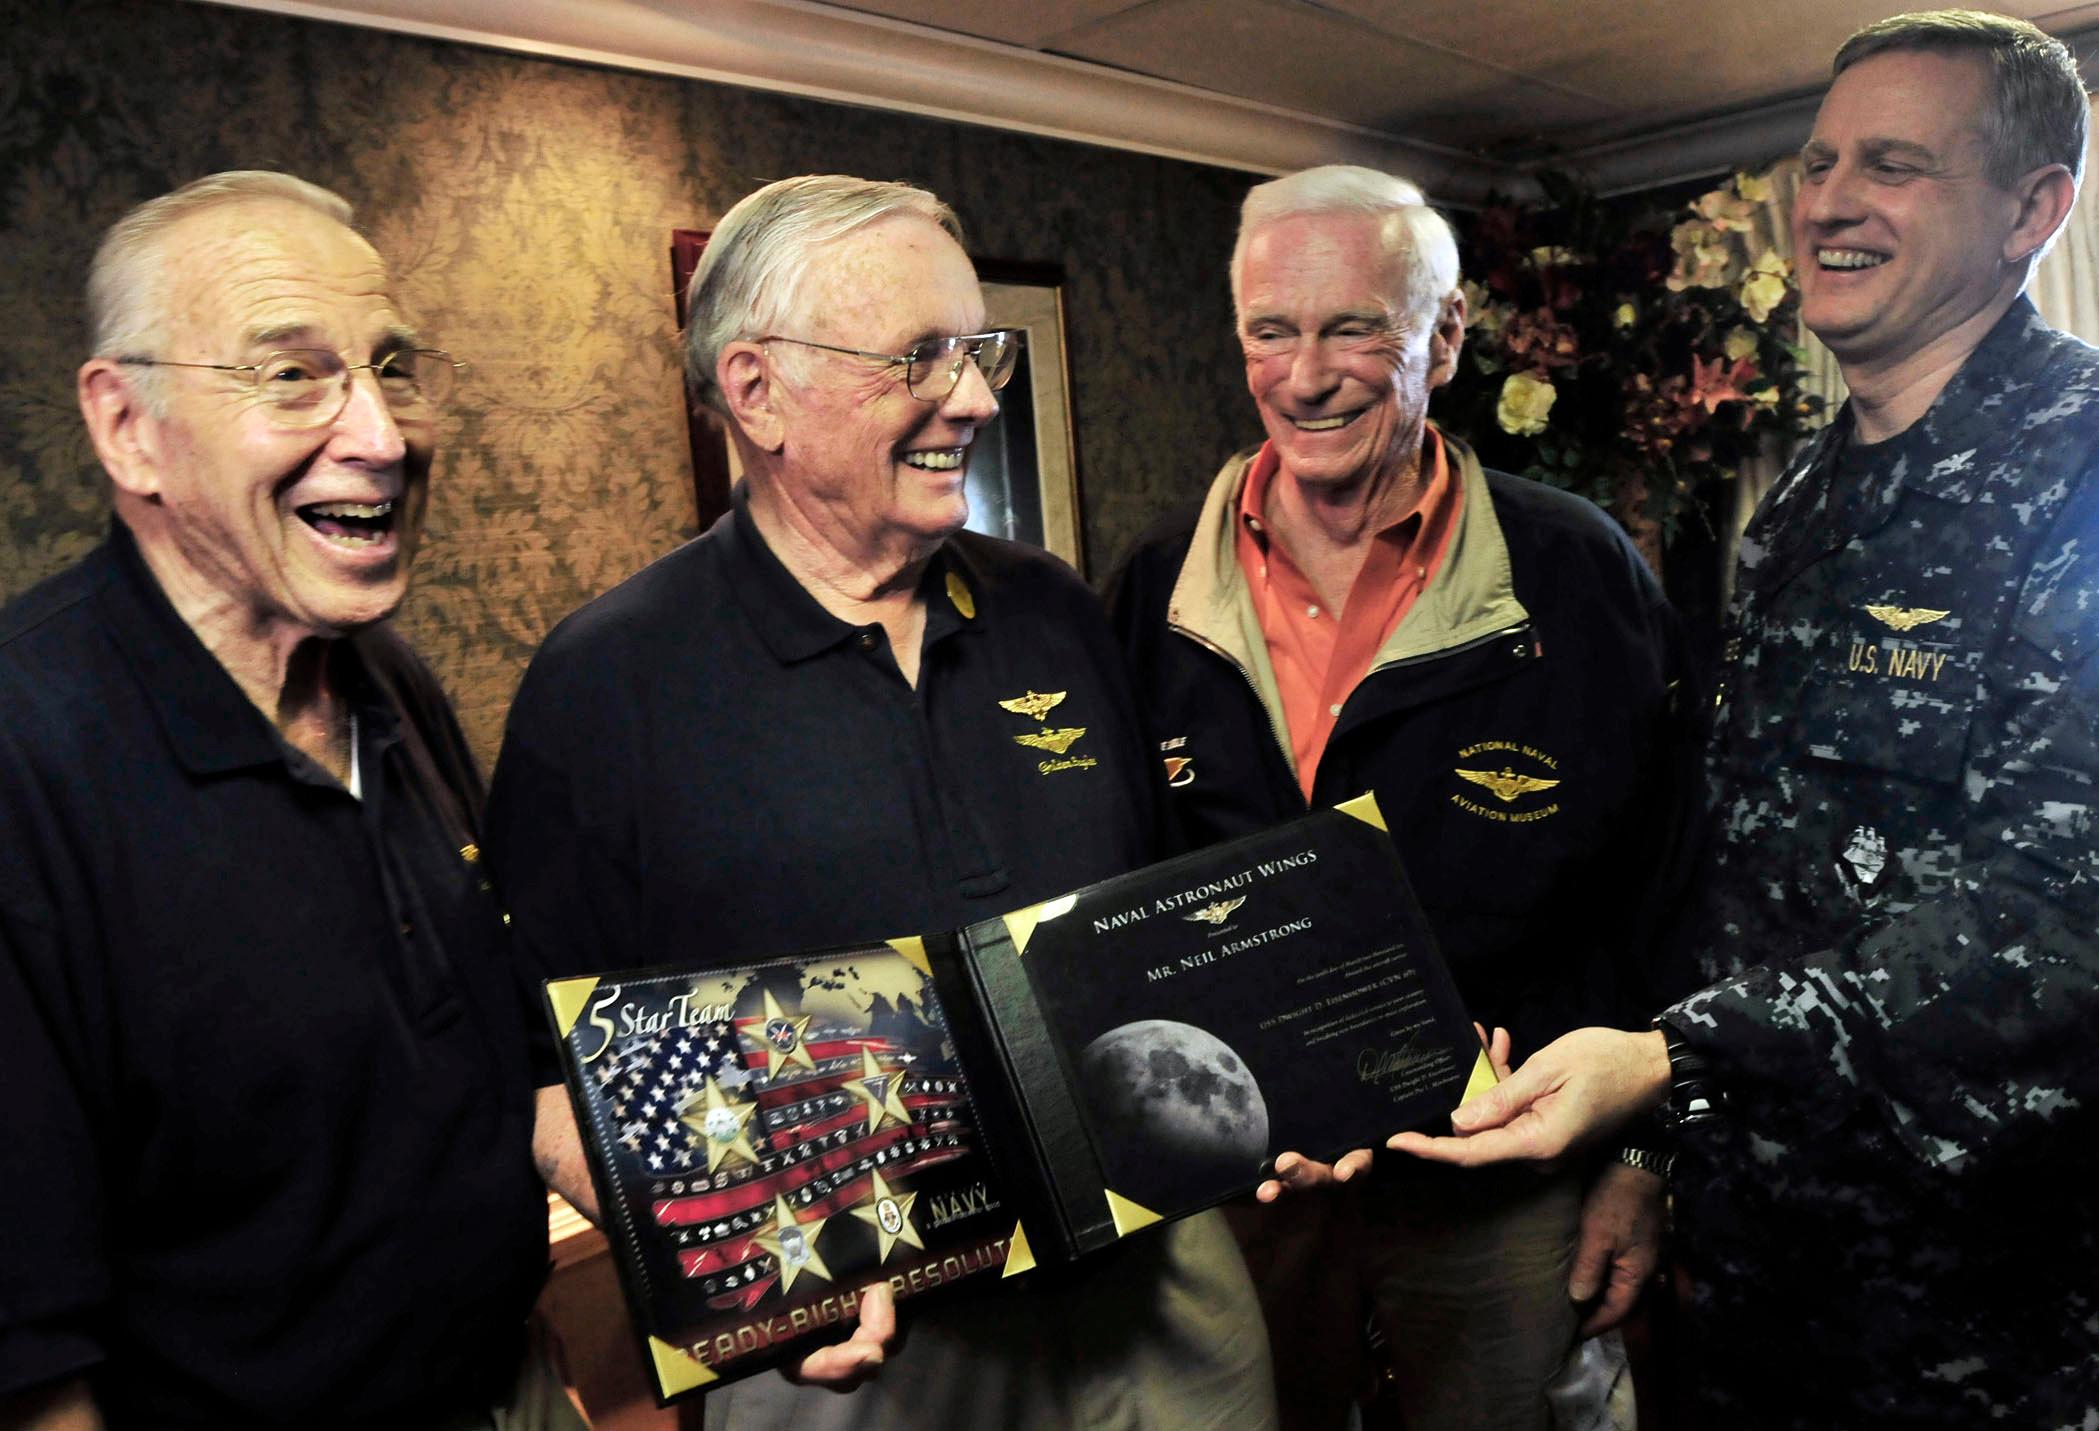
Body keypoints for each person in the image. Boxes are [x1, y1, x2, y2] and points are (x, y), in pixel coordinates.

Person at [1393, 11, 2099, 1425]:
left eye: (1891, 165)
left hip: (1992, 1312)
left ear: (2034, 208)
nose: (1826, 201)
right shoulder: (1799, 507)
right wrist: (1664, 1151)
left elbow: (2052, 916)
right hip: (1764, 1287)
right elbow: (1738, 881)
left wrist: (1669, 1059)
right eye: (1817, 159)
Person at [484, 174, 1275, 1431]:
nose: (969, 397)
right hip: (859, 1349)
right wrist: (739, 1274)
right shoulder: (608, 680)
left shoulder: (1055, 611)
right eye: (918, 357)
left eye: (976, 351)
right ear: (755, 393)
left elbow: (1162, 913)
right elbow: (535, 1060)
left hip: (1154, 1287)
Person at [1104, 165, 1694, 1431]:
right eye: (1270, 330)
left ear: (1446, 334)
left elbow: (1670, 889)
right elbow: (1123, 885)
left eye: (1351, 328)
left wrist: (1644, 1161)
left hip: (1502, 1183)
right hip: (1249, 1185)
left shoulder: (1578, 574)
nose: (1304, 375)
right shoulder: (1151, 582)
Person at [0, 173, 581, 1429]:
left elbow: (520, 1079)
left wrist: (751, 1247)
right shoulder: (22, 757)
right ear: (128, 428)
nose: (380, 434)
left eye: (391, 367)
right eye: (292, 376)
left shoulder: (390, 681)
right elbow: (26, 1354)